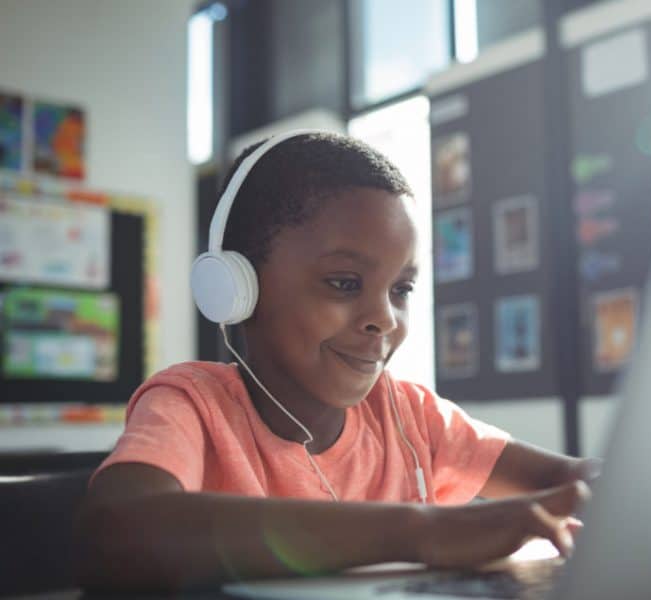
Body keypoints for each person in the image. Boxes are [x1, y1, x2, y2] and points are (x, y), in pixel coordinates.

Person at [73, 132, 597, 591]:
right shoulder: (193, 405)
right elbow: (117, 532)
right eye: (345, 283)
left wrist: (608, 485)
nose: (385, 319)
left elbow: (569, 483)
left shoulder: (410, 416)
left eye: (401, 289)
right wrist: (422, 530)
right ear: (237, 288)